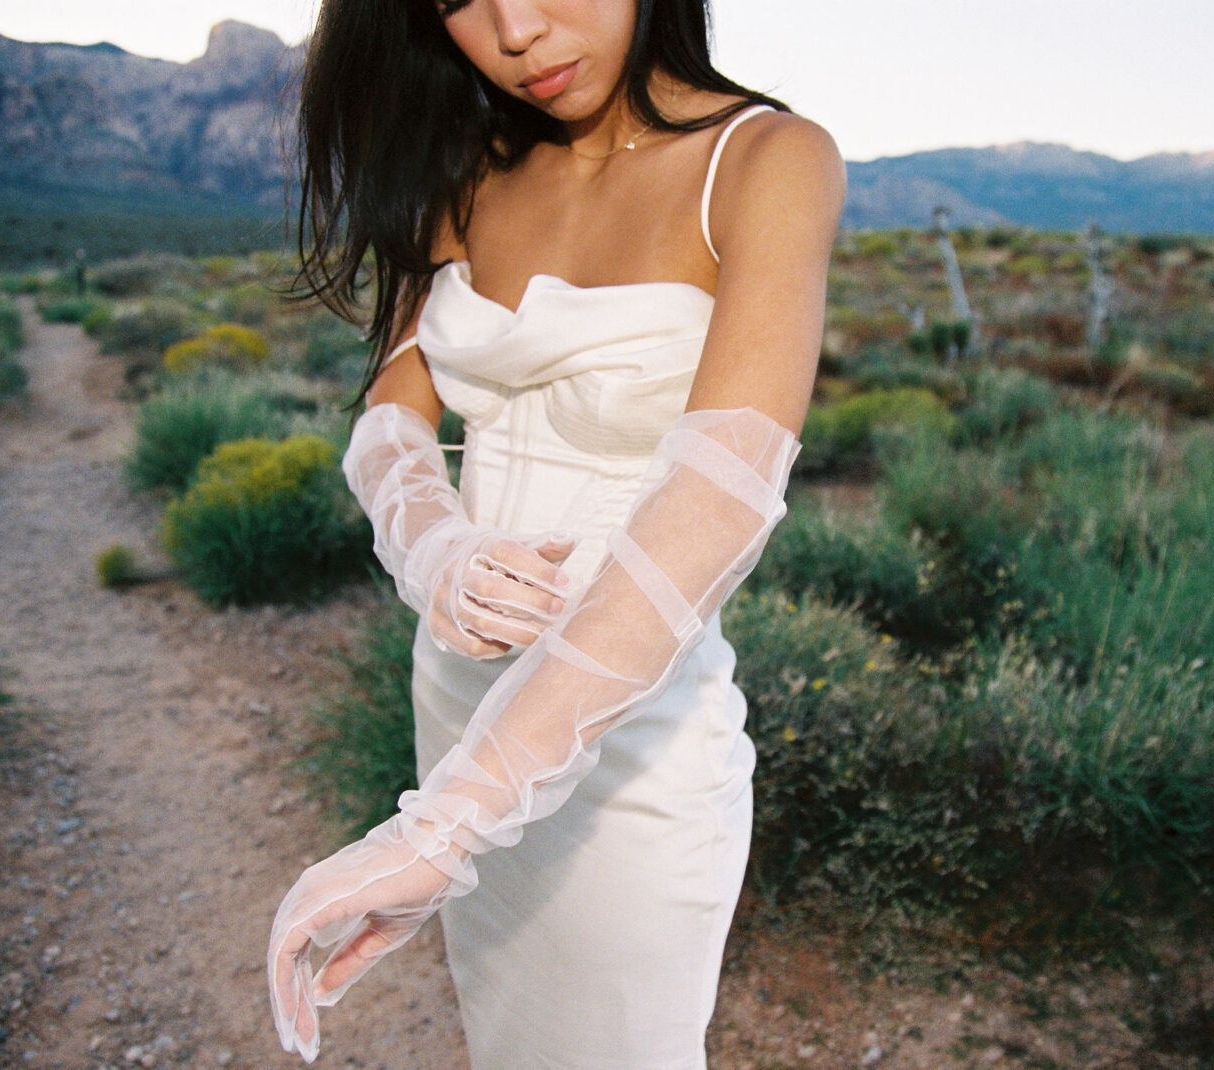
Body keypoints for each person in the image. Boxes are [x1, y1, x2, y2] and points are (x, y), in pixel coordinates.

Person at [266, 0, 844, 1064]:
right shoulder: (464, 170)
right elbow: (390, 413)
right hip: (455, 697)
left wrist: (448, 825)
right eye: (458, 0)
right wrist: (432, 542)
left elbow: (720, 495)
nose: (514, 29)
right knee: (509, 1035)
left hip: (631, 741)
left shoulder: (765, 158)